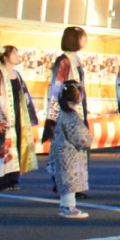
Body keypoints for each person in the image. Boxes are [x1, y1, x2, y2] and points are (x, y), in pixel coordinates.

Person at [42, 26, 89, 198]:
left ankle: (75, 185)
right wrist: (55, 114)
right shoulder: (63, 61)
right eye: (83, 38)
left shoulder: (75, 60)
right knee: (66, 150)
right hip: (66, 110)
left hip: (77, 109)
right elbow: (56, 88)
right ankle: (65, 185)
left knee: (76, 150)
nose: (85, 41)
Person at [0, 46, 39, 191]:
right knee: (3, 148)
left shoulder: (16, 74)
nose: (17, 56)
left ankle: (13, 178)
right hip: (4, 115)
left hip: (17, 115)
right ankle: (0, 180)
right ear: (5, 57)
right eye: (14, 53)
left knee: (16, 145)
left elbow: (24, 95)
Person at [49, 80, 92, 219]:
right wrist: (87, 141)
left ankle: (64, 205)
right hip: (70, 153)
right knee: (70, 180)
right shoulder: (71, 115)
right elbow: (78, 135)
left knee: (64, 178)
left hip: (60, 150)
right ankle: (69, 206)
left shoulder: (61, 113)